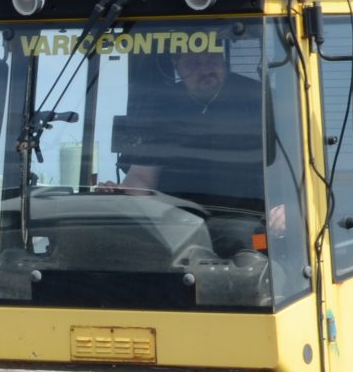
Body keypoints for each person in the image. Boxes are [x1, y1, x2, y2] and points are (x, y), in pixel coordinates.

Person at [120, 42, 289, 245]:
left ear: (223, 60)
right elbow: (141, 176)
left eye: (212, 60)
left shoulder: (261, 99)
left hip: (251, 223)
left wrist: (290, 206)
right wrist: (128, 202)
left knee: (252, 246)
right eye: (193, 63)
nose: (205, 69)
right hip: (174, 224)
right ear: (177, 66)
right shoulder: (161, 107)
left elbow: (293, 163)